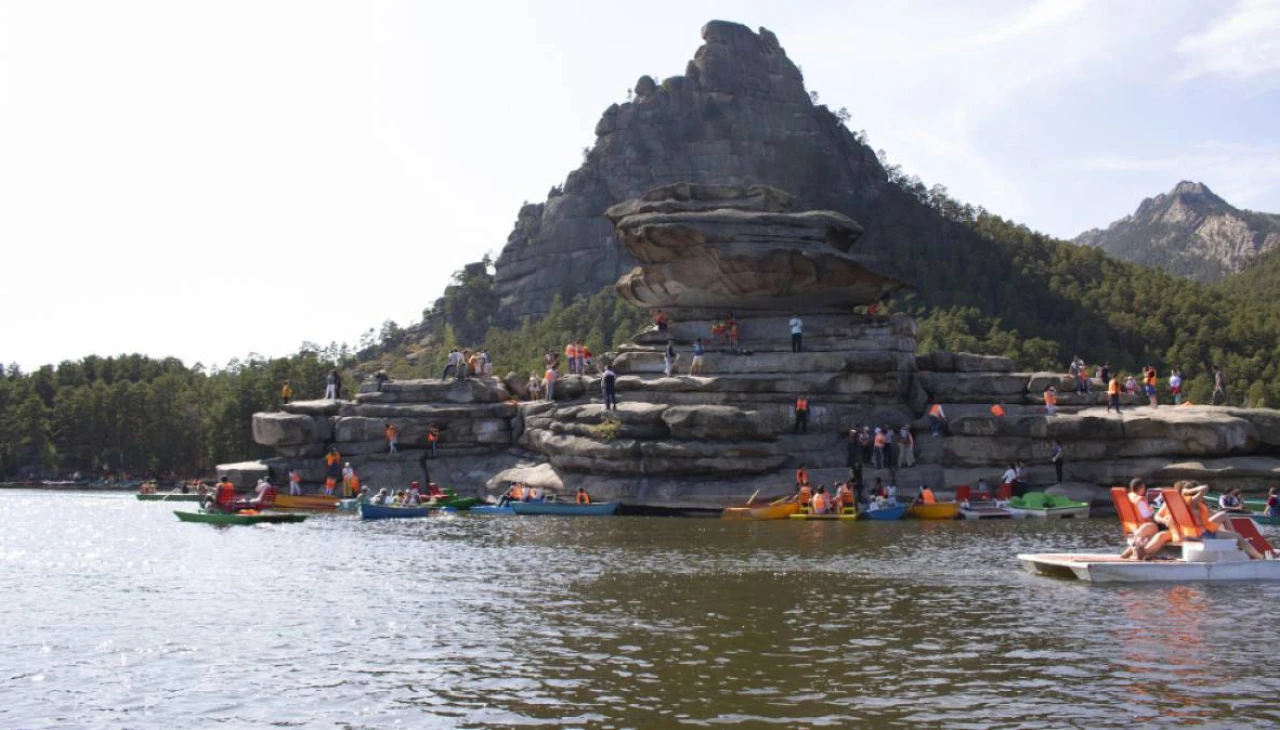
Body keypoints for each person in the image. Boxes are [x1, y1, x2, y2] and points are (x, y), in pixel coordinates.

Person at [1119, 478, 1160, 560]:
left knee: (1149, 530)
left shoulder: (1128, 497)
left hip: (1131, 526)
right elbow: (1148, 517)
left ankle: (1128, 552)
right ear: (1141, 488)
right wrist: (1154, 514)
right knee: (1155, 528)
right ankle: (1147, 552)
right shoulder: (1140, 500)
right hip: (1142, 526)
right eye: (1144, 487)